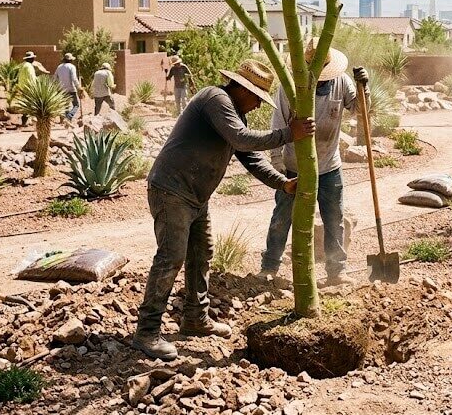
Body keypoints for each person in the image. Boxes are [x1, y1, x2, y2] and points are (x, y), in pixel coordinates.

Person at [132, 59, 315, 361]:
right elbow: (241, 140)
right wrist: (288, 133)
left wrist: (283, 184)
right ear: (242, 89)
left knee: (201, 253)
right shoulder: (215, 99)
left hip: (195, 196)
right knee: (171, 258)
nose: (258, 105)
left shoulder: (234, 114)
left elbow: (251, 157)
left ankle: (194, 319)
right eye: (257, 97)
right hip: (172, 190)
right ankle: (147, 333)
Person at [260, 43, 368, 287]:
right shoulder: (291, 89)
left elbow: (360, 110)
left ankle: (336, 271)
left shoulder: (341, 82)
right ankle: (269, 267)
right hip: (293, 167)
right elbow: (278, 127)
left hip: (330, 165)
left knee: (334, 219)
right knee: (282, 217)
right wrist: (277, 165)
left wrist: (364, 87)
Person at [18, 51, 49, 127]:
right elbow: (31, 78)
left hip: (23, 87)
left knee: (26, 105)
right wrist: (36, 87)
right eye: (33, 58)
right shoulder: (29, 66)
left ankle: (25, 122)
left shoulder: (23, 65)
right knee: (31, 105)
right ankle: (32, 121)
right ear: (31, 58)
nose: (34, 59)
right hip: (29, 88)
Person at [54, 52, 81, 124]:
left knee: (66, 106)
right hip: (71, 89)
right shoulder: (72, 67)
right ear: (70, 60)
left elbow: (55, 78)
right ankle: (69, 117)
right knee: (76, 105)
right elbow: (74, 78)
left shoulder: (59, 67)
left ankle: (67, 121)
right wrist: (79, 87)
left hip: (62, 89)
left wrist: (57, 87)